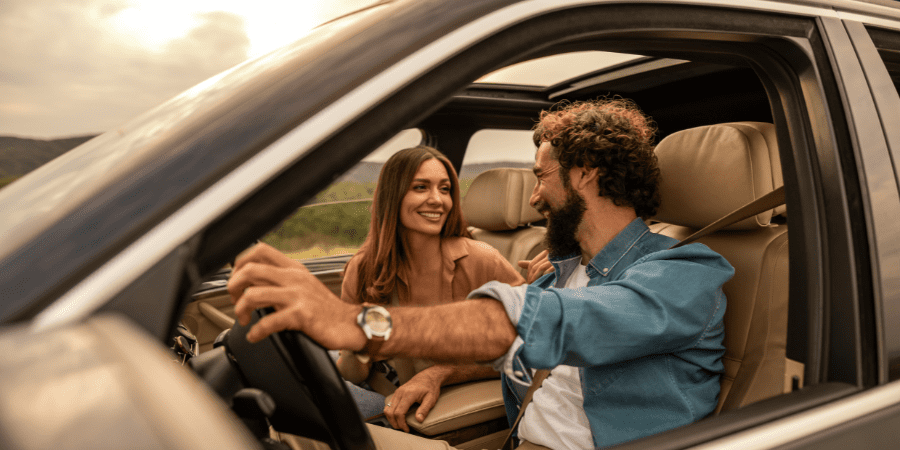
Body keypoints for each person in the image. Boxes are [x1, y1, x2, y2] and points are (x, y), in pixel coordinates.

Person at [228, 98, 735, 449]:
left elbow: (534, 323)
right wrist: (438, 369)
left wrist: (360, 324)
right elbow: (511, 341)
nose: (533, 198)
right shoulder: (559, 275)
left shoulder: (682, 273)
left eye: (541, 177)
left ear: (584, 173)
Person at [332, 146, 525, 428]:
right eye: (420, 187)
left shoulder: (482, 260)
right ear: (393, 196)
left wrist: (440, 373)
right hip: (382, 385)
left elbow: (530, 345)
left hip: (446, 393)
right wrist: (363, 345)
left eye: (445, 189)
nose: (437, 200)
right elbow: (352, 371)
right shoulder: (364, 268)